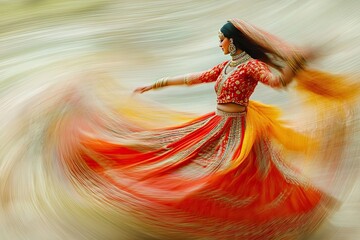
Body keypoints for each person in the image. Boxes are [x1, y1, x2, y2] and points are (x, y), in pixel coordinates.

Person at [77, 19, 358, 239]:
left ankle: (234, 224)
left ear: (233, 41)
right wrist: (157, 83)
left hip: (240, 131)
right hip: (215, 124)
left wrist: (295, 64)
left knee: (232, 180)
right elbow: (194, 78)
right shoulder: (225, 66)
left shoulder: (252, 67)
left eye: (221, 39)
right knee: (170, 155)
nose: (219, 44)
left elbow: (279, 83)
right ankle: (183, 214)